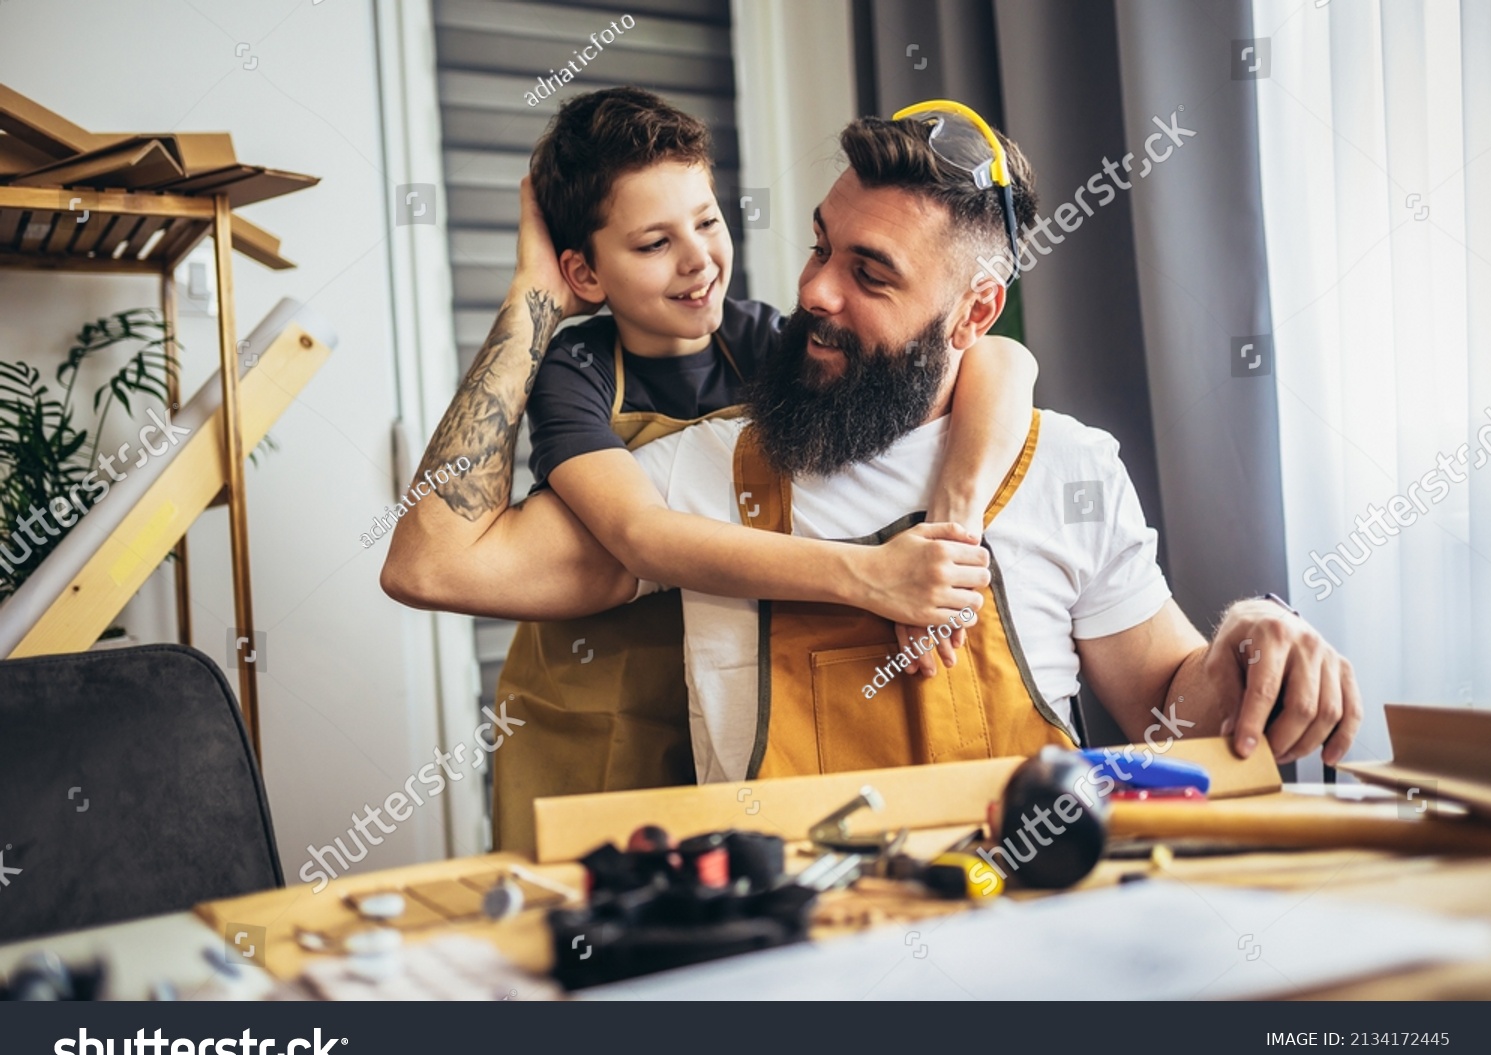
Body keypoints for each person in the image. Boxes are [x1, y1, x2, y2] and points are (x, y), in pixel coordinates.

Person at [383, 105, 1361, 794]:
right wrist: (530, 304)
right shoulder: (694, 470)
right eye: (819, 246)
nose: (813, 291)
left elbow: (1170, 712)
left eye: (870, 273)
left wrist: (1248, 652)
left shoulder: (1066, 466)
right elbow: (432, 560)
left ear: (973, 311)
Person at [391, 88, 1039, 851]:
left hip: (723, 707)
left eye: (706, 221)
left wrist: (950, 526)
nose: (699, 260)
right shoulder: (575, 370)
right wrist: (533, 295)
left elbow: (1000, 356)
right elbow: (641, 533)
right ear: (586, 274)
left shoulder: (764, 341)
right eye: (652, 243)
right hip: (593, 725)